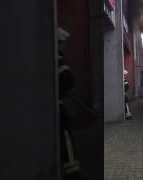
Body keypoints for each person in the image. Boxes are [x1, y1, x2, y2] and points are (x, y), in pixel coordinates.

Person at [57, 27, 87, 180]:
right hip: (58, 107)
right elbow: (68, 80)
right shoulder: (58, 58)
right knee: (66, 136)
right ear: (59, 42)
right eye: (63, 43)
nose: (64, 46)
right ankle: (73, 174)